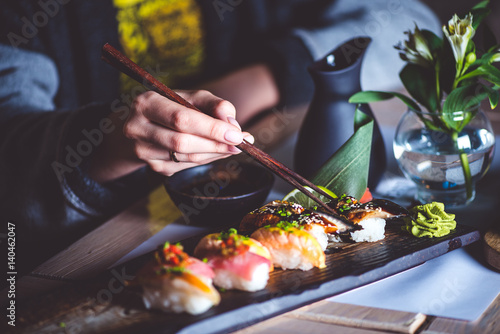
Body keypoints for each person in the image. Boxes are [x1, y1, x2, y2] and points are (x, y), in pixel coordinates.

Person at [0, 0, 440, 274]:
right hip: (86, 247)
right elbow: (10, 165)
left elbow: (411, 20)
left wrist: (267, 76)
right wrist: (109, 144)